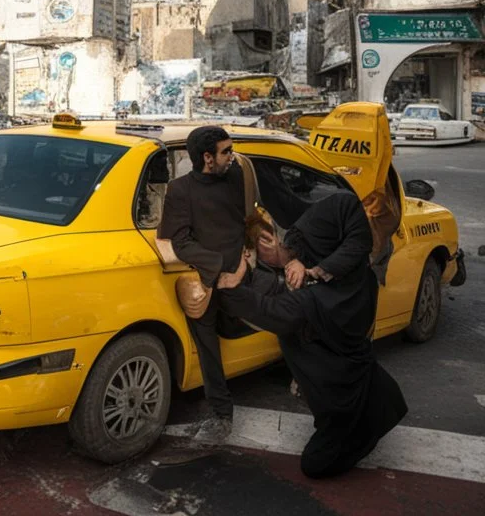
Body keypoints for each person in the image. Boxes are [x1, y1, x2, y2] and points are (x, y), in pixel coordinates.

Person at [218, 194, 407, 478]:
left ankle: (363, 430)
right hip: (355, 372)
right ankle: (381, 405)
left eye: (302, 249)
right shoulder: (358, 281)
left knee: (315, 466)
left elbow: (272, 311)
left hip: (340, 405)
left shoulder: (311, 302)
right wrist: (291, 262)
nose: (294, 251)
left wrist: (229, 286)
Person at [157, 125, 246, 443]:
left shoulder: (236, 176)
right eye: (225, 152)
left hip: (241, 275)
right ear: (207, 157)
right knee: (208, 348)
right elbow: (179, 241)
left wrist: (240, 265)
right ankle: (222, 414)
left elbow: (243, 220)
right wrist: (215, 267)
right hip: (206, 281)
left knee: (284, 314)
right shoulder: (180, 190)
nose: (231, 157)